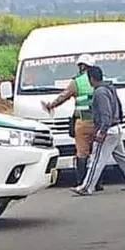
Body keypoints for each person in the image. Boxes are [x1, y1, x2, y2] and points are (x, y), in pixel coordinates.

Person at [71, 65, 125, 196]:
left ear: (91, 79)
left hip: (108, 130)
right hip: (116, 128)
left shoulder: (100, 92)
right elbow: (118, 108)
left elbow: (106, 113)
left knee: (96, 160)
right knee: (122, 157)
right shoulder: (110, 89)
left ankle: (86, 187)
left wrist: (102, 130)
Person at [42, 53, 103, 191]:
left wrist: (51, 105)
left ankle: (82, 182)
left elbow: (63, 97)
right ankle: (97, 183)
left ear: (81, 66)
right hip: (98, 123)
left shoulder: (76, 82)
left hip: (82, 123)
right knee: (96, 154)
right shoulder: (99, 80)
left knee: (82, 154)